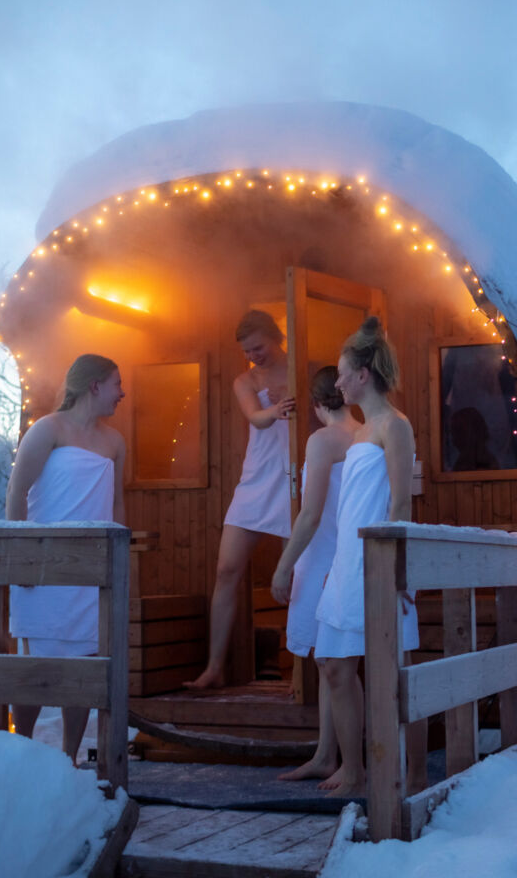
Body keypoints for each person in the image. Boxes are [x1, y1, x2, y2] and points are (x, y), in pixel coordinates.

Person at [313, 317, 419, 797]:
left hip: (376, 562)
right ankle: (351, 766)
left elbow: (400, 503)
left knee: (388, 672)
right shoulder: (360, 433)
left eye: (341, 373)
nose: (335, 383)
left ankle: (399, 773)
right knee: (333, 666)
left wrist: (398, 572)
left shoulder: (395, 427)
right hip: (346, 562)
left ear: (362, 374)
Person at [5, 353, 127, 764]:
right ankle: (23, 750)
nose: (121, 393)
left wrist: (120, 565)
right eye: (116, 384)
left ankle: (68, 757)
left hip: (91, 570)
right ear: (95, 385)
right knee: (40, 666)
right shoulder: (47, 430)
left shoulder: (114, 442)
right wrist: (22, 557)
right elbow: (16, 493)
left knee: (84, 668)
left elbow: (117, 507)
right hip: (45, 569)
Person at [187, 310, 297, 689]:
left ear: (276, 337)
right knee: (226, 570)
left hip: (295, 476)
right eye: (248, 350)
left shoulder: (303, 367)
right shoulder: (244, 380)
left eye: (259, 347)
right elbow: (256, 417)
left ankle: (302, 671)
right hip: (256, 478)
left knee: (296, 576)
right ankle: (215, 667)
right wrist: (277, 409)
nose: (254, 355)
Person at [270, 366, 359, 781]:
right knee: (331, 661)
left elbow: (309, 514)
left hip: (326, 554)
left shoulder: (323, 439)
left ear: (318, 404)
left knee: (334, 661)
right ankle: (326, 756)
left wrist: (284, 565)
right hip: (349, 552)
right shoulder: (365, 433)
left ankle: (348, 763)